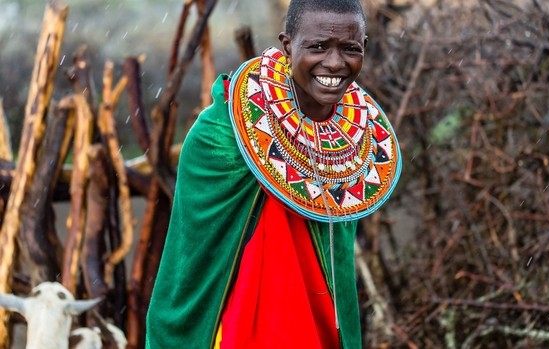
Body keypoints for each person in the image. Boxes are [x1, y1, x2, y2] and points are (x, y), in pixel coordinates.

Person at [145, 0, 401, 348]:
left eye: (350, 49)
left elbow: (335, 264)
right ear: (287, 45)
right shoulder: (219, 136)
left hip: (320, 327)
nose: (335, 63)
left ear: (364, 49)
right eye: (318, 47)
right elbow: (190, 266)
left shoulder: (356, 144)